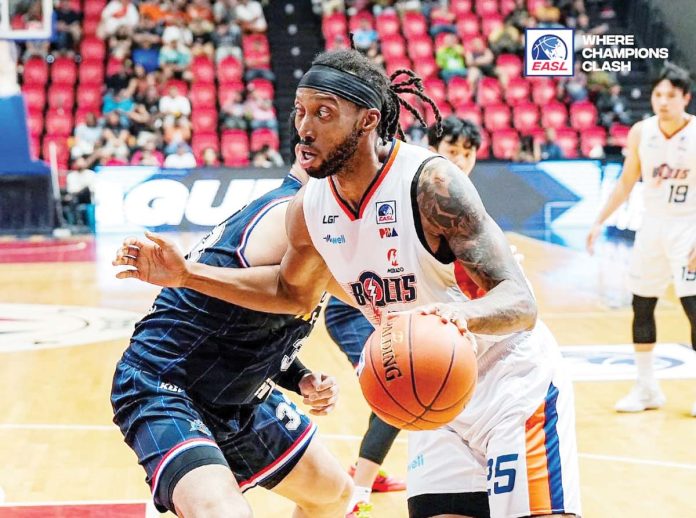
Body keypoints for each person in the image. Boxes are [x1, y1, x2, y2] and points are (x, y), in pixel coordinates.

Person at [115, 49, 581, 518]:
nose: (305, 128)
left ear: (366, 121)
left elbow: (521, 302)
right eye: (299, 111)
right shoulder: (308, 209)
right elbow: (290, 294)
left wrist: (455, 317)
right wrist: (185, 275)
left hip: (509, 383)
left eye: (323, 113)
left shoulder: (431, 184)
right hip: (436, 402)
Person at [110, 138, 354, 517]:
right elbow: (309, 299)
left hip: (236, 395)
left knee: (332, 494)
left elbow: (245, 328)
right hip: (166, 383)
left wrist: (301, 377)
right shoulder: (288, 217)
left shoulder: (315, 220)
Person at [324, 115, 484, 513]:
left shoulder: (455, 198)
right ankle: (357, 490)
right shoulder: (410, 190)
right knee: (402, 383)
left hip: (401, 309)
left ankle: (368, 472)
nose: (460, 161)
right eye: (452, 152)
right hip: (356, 309)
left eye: (468, 154)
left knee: (408, 386)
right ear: (433, 150)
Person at [587, 62, 696, 415]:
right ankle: (647, 388)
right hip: (652, 226)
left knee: (693, 309)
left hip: (688, 226)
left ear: (686, 98)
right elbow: (626, 181)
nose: (662, 101)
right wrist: (599, 221)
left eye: (670, 95)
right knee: (642, 304)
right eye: (658, 94)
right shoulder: (641, 131)